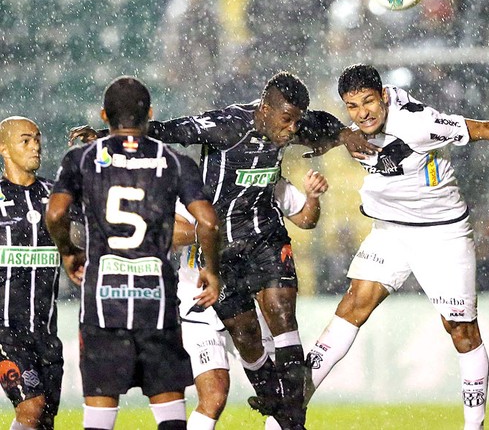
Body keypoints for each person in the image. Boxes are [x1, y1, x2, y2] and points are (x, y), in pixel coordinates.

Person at [68, 71, 374, 430]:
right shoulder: (227, 126)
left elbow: (318, 123)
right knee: (247, 339)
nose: (291, 130)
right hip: (223, 249)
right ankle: (277, 402)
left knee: (282, 315)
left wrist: (343, 134)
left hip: (264, 236)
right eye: (286, 120)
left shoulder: (289, 125)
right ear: (265, 108)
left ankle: (290, 419)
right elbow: (169, 131)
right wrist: (109, 138)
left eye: (296, 121)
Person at [303, 64, 489, 430]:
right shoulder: (356, 126)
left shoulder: (420, 123)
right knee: (352, 307)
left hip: (442, 235)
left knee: (461, 331)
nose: (363, 113)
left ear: (385, 97)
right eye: (353, 107)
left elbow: (483, 129)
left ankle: (474, 427)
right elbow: (306, 124)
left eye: (369, 103)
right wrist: (342, 134)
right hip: (390, 231)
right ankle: (289, 409)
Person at [45, 76, 221, 430]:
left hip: (102, 301)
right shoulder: (173, 161)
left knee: (99, 410)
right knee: (169, 408)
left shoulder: (82, 159)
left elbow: (55, 213)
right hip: (155, 300)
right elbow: (209, 223)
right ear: (150, 113)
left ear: (104, 114)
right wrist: (212, 270)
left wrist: (68, 251)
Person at [175, 170, 328, 430]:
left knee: (283, 387)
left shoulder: (265, 180)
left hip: (245, 302)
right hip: (200, 305)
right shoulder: (200, 184)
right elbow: (174, 232)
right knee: (215, 396)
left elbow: (305, 219)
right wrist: (218, 228)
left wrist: (313, 198)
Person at [0, 117, 63, 430]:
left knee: (44, 419)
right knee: (31, 407)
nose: (35, 146)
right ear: (4, 148)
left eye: (37, 138)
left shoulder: (56, 195)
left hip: (46, 333)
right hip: (5, 331)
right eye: (25, 140)